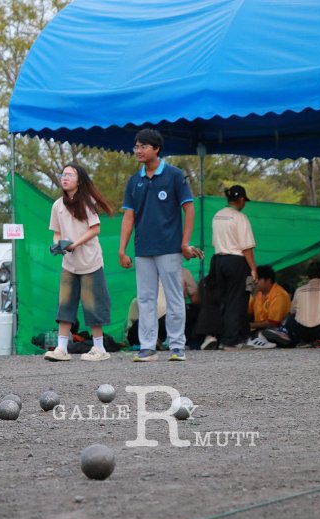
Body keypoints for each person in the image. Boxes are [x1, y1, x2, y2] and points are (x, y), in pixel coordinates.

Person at [119, 129, 202, 362]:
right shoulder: (134, 181)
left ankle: (177, 347)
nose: (138, 150)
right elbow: (128, 217)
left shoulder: (175, 175)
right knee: (145, 299)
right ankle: (147, 347)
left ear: (156, 149)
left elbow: (189, 209)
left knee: (175, 297)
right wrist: (122, 249)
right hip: (143, 248)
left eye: (143, 146)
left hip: (170, 248)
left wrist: (185, 243)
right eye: (136, 146)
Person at [43, 162, 115, 362]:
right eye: (63, 174)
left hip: (90, 262)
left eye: (70, 175)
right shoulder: (57, 205)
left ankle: (99, 348)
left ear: (80, 180)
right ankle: (61, 348)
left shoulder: (87, 201)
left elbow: (95, 229)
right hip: (69, 264)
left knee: (93, 305)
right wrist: (58, 245)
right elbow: (57, 232)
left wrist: (75, 244)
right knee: (65, 304)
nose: (64, 177)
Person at [196, 185, 258, 350]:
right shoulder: (240, 218)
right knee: (236, 300)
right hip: (236, 261)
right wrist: (253, 268)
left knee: (219, 298)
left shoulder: (217, 216)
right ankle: (231, 340)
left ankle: (214, 334)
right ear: (242, 199)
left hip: (218, 260)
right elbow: (246, 247)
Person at [265, 261, 320, 347]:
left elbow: (292, 311)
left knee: (290, 317)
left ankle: (287, 334)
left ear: (308, 276)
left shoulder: (299, 290)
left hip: (302, 332)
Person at [246, 265, 290, 348]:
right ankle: (257, 338)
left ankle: (258, 339)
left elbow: (272, 323)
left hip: (277, 329)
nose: (255, 282)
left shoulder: (279, 295)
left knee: (269, 332)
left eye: (258, 279)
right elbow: (247, 311)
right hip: (260, 328)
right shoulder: (258, 293)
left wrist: (250, 325)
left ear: (268, 280)